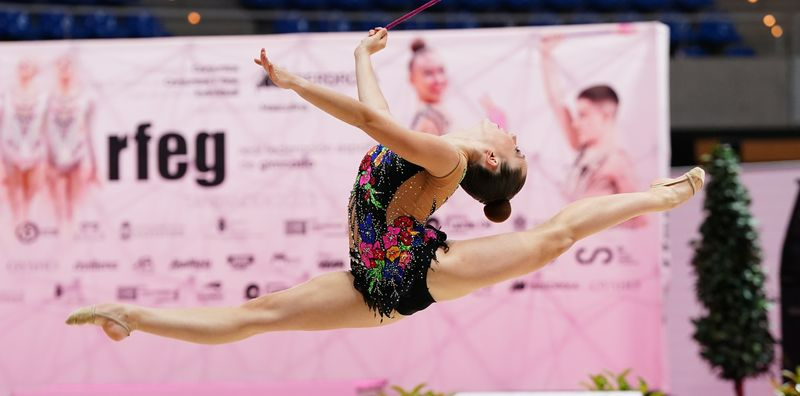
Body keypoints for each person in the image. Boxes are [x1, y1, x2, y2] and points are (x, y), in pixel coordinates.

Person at [66, 28, 704, 343]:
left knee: (552, 237)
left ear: (488, 156)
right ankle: (133, 316)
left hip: (417, 269)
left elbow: (371, 120)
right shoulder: (434, 150)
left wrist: (293, 83)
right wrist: (361, 60)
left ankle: (656, 195)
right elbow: (381, 119)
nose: (511, 133)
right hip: (371, 275)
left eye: (515, 146)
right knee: (256, 316)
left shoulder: (449, 159)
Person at [540, 35, 638, 200]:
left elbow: (640, 219)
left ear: (606, 114)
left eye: (583, 115)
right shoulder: (582, 149)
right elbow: (556, 102)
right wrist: (545, 57)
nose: (576, 123)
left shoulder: (617, 164)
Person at [408, 38, 507, 136]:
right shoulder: (428, 121)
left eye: (441, 71)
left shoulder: (435, 114)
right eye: (428, 73)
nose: (438, 79)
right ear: (412, 78)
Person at [44, 56, 97, 225]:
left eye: (68, 66)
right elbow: (41, 130)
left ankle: (73, 229)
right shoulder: (46, 98)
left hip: (77, 153)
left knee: (74, 205)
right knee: (56, 206)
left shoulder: (86, 98)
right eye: (61, 66)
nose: (65, 70)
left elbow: (89, 131)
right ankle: (60, 231)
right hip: (54, 153)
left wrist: (95, 164)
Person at [0, 59, 47, 224]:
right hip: (11, 148)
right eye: (21, 66)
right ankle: (16, 220)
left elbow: (48, 125)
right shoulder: (6, 95)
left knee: (32, 191)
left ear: (34, 71)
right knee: (14, 190)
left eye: (27, 66)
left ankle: (28, 220)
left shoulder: (43, 97)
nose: (24, 69)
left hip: (35, 150)